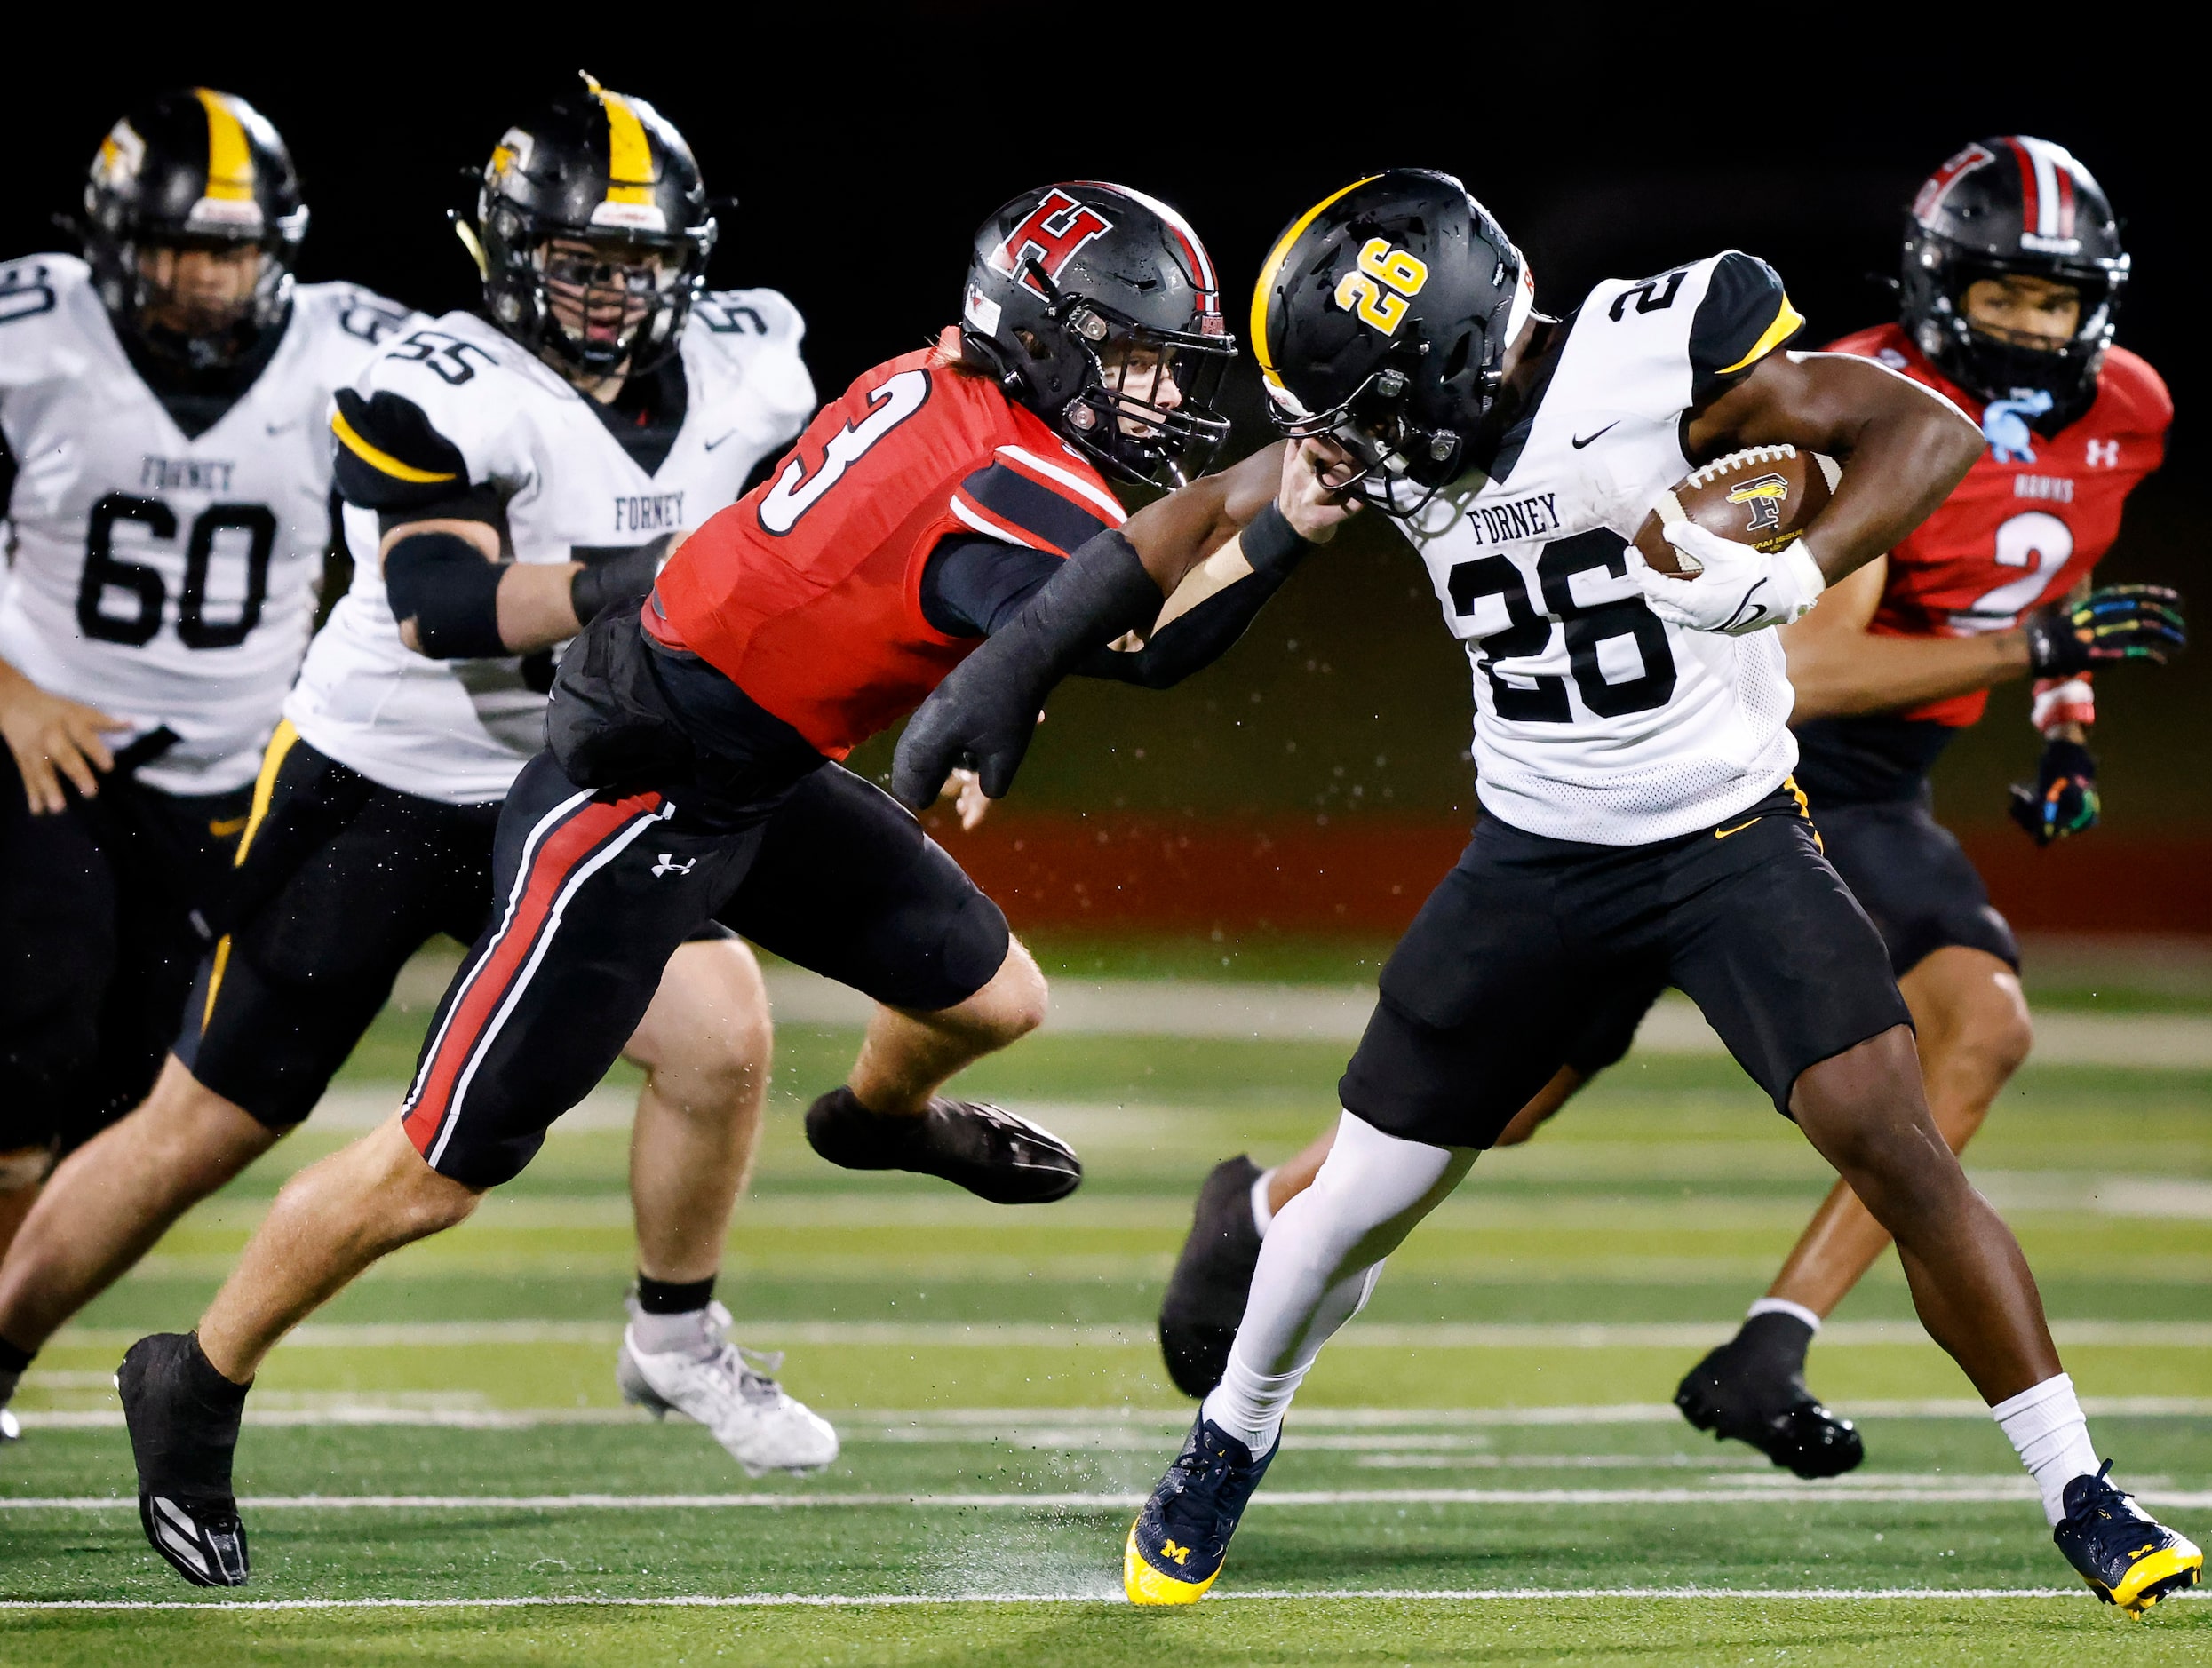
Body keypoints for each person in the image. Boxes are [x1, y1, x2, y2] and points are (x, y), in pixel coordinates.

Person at [900, 169, 2205, 1615]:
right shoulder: (1382, 427)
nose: (1364, 443)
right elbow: (1189, 522)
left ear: (1461, 346)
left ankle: (2078, 1487)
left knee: (1896, 1145)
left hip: (1728, 841)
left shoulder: (1661, 343)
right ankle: (1224, 1441)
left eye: (1384, 406)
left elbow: (1921, 430)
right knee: (1352, 1204)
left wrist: (1794, 569)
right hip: (1532, 857)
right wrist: (1006, 666)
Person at [116, 179, 1341, 1589]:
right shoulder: (1012, 481)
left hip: (754, 756)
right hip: (633, 786)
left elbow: (1119, 556)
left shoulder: (944, 377)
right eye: (1127, 355)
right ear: (1047, 343)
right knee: (436, 1169)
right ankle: (193, 1379)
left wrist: (1267, 479)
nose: (1149, 392)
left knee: (993, 994)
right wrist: (1286, 520)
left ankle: (878, 1117)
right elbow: (1147, 640)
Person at [0, 78, 822, 1493]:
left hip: (570, 780)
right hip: (378, 782)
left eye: (637, 268)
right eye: (578, 265)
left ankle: (675, 1329)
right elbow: (442, 598)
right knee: (204, 1121)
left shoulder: (754, 365)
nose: (610, 300)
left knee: (723, 1034)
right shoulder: (433, 371)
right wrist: (664, 579)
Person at [0, 89, 416, 1443]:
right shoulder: (35, 332)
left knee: (135, 1099)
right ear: (114, 240)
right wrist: (8, 687)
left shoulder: (349, 349)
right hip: (51, 749)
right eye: (175, 246)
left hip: (240, 774)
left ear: (276, 245)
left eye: (227, 248)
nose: (199, 274)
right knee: (28, 1050)